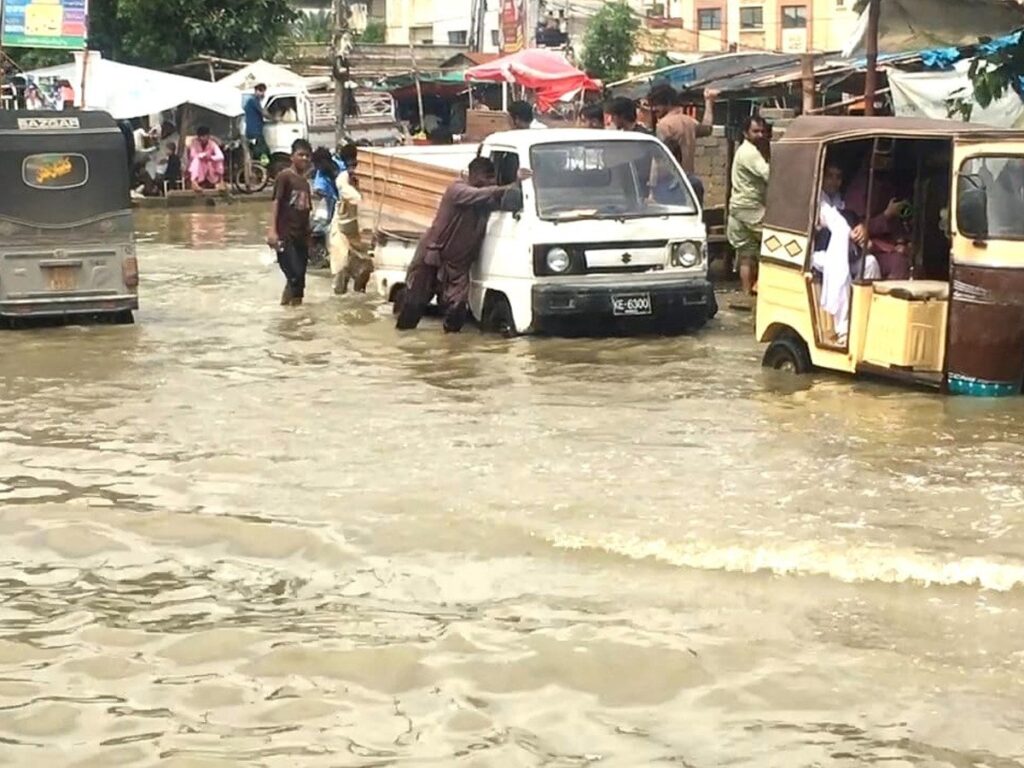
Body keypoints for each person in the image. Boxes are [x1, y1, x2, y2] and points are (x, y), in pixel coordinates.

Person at [397, 158, 531, 332]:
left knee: (458, 306)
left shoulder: (485, 201)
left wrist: (519, 186)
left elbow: (502, 201)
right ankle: (403, 337)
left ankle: (451, 343)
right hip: (431, 256)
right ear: (474, 176)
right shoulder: (457, 190)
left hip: (458, 263)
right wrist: (512, 184)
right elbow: (481, 194)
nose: (491, 182)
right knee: (414, 304)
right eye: (487, 177)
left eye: (492, 178)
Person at [811, 162, 882, 343]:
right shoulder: (818, 201)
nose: (834, 181)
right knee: (838, 269)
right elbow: (836, 224)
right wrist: (850, 232)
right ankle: (842, 327)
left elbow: (854, 224)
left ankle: (865, 315)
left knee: (871, 263)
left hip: (847, 253)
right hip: (820, 254)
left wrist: (861, 230)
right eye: (830, 176)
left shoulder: (841, 202)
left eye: (838, 177)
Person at [845, 155, 912, 280]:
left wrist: (902, 242)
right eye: (882, 157)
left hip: (887, 245)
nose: (887, 161)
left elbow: (895, 225)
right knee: (898, 263)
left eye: (888, 157)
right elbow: (858, 228)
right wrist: (886, 215)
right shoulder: (859, 188)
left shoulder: (887, 185)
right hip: (867, 249)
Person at [727, 115, 771, 299]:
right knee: (772, 244)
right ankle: (761, 292)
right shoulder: (750, 152)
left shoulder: (744, 151)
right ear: (746, 133)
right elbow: (769, 174)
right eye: (755, 131)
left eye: (762, 131)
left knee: (746, 254)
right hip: (750, 207)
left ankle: (746, 295)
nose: (760, 135)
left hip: (738, 207)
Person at [267, 139, 313, 306]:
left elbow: (306, 210)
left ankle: (291, 313)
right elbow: (276, 202)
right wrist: (272, 231)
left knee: (299, 281)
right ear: (292, 156)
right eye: (301, 155)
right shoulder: (285, 177)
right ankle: (290, 309)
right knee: (294, 275)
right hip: (286, 235)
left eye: (307, 155)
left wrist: (309, 237)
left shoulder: (305, 183)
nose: (304, 158)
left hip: (301, 236)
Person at [648, 86, 716, 177]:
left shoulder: (664, 125)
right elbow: (707, 129)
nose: (653, 109)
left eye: (656, 105)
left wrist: (652, 182)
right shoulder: (689, 121)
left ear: (668, 103)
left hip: (670, 179)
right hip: (687, 179)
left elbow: (659, 160)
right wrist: (709, 102)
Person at [187, 127, 225, 192]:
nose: (203, 138)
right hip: (199, 165)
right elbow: (192, 155)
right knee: (196, 160)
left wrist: (211, 157)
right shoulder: (194, 143)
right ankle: (194, 182)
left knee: (219, 161)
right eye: (201, 136)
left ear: (208, 136)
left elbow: (221, 156)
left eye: (204, 136)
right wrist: (202, 155)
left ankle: (220, 182)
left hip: (210, 165)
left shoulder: (212, 144)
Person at [243, 83, 271, 162]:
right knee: (263, 151)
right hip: (255, 131)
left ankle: (258, 164)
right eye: (261, 91)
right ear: (256, 91)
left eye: (263, 91)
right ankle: (262, 165)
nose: (263, 94)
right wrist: (274, 118)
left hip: (253, 131)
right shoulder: (253, 101)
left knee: (257, 150)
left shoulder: (253, 101)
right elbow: (264, 113)